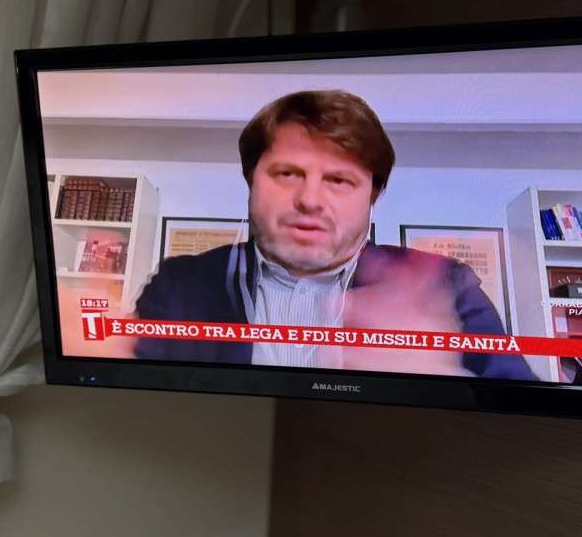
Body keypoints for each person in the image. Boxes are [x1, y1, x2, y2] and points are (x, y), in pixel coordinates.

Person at [130, 89, 535, 380]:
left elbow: (522, 420)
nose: (310, 200)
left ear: (373, 195)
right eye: (287, 173)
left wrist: (438, 383)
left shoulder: (446, 285)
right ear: (251, 181)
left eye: (339, 180)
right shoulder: (179, 283)